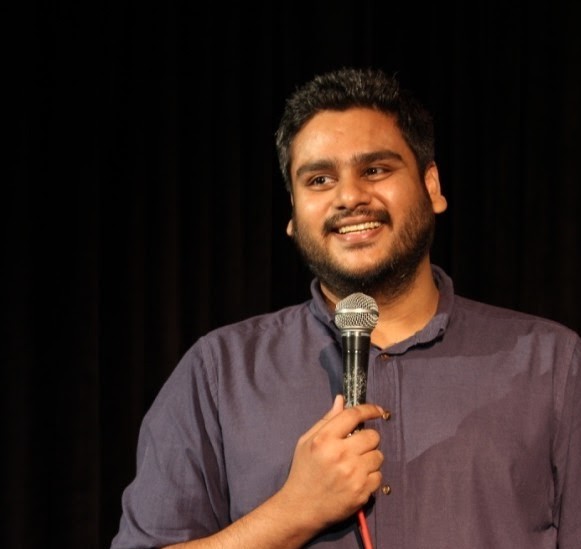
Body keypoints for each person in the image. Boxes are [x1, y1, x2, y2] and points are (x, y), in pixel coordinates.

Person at [111, 67, 581, 549]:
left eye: (375, 170)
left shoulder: (554, 365)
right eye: (319, 180)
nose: (350, 197)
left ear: (432, 186)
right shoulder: (219, 373)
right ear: (293, 214)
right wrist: (292, 512)